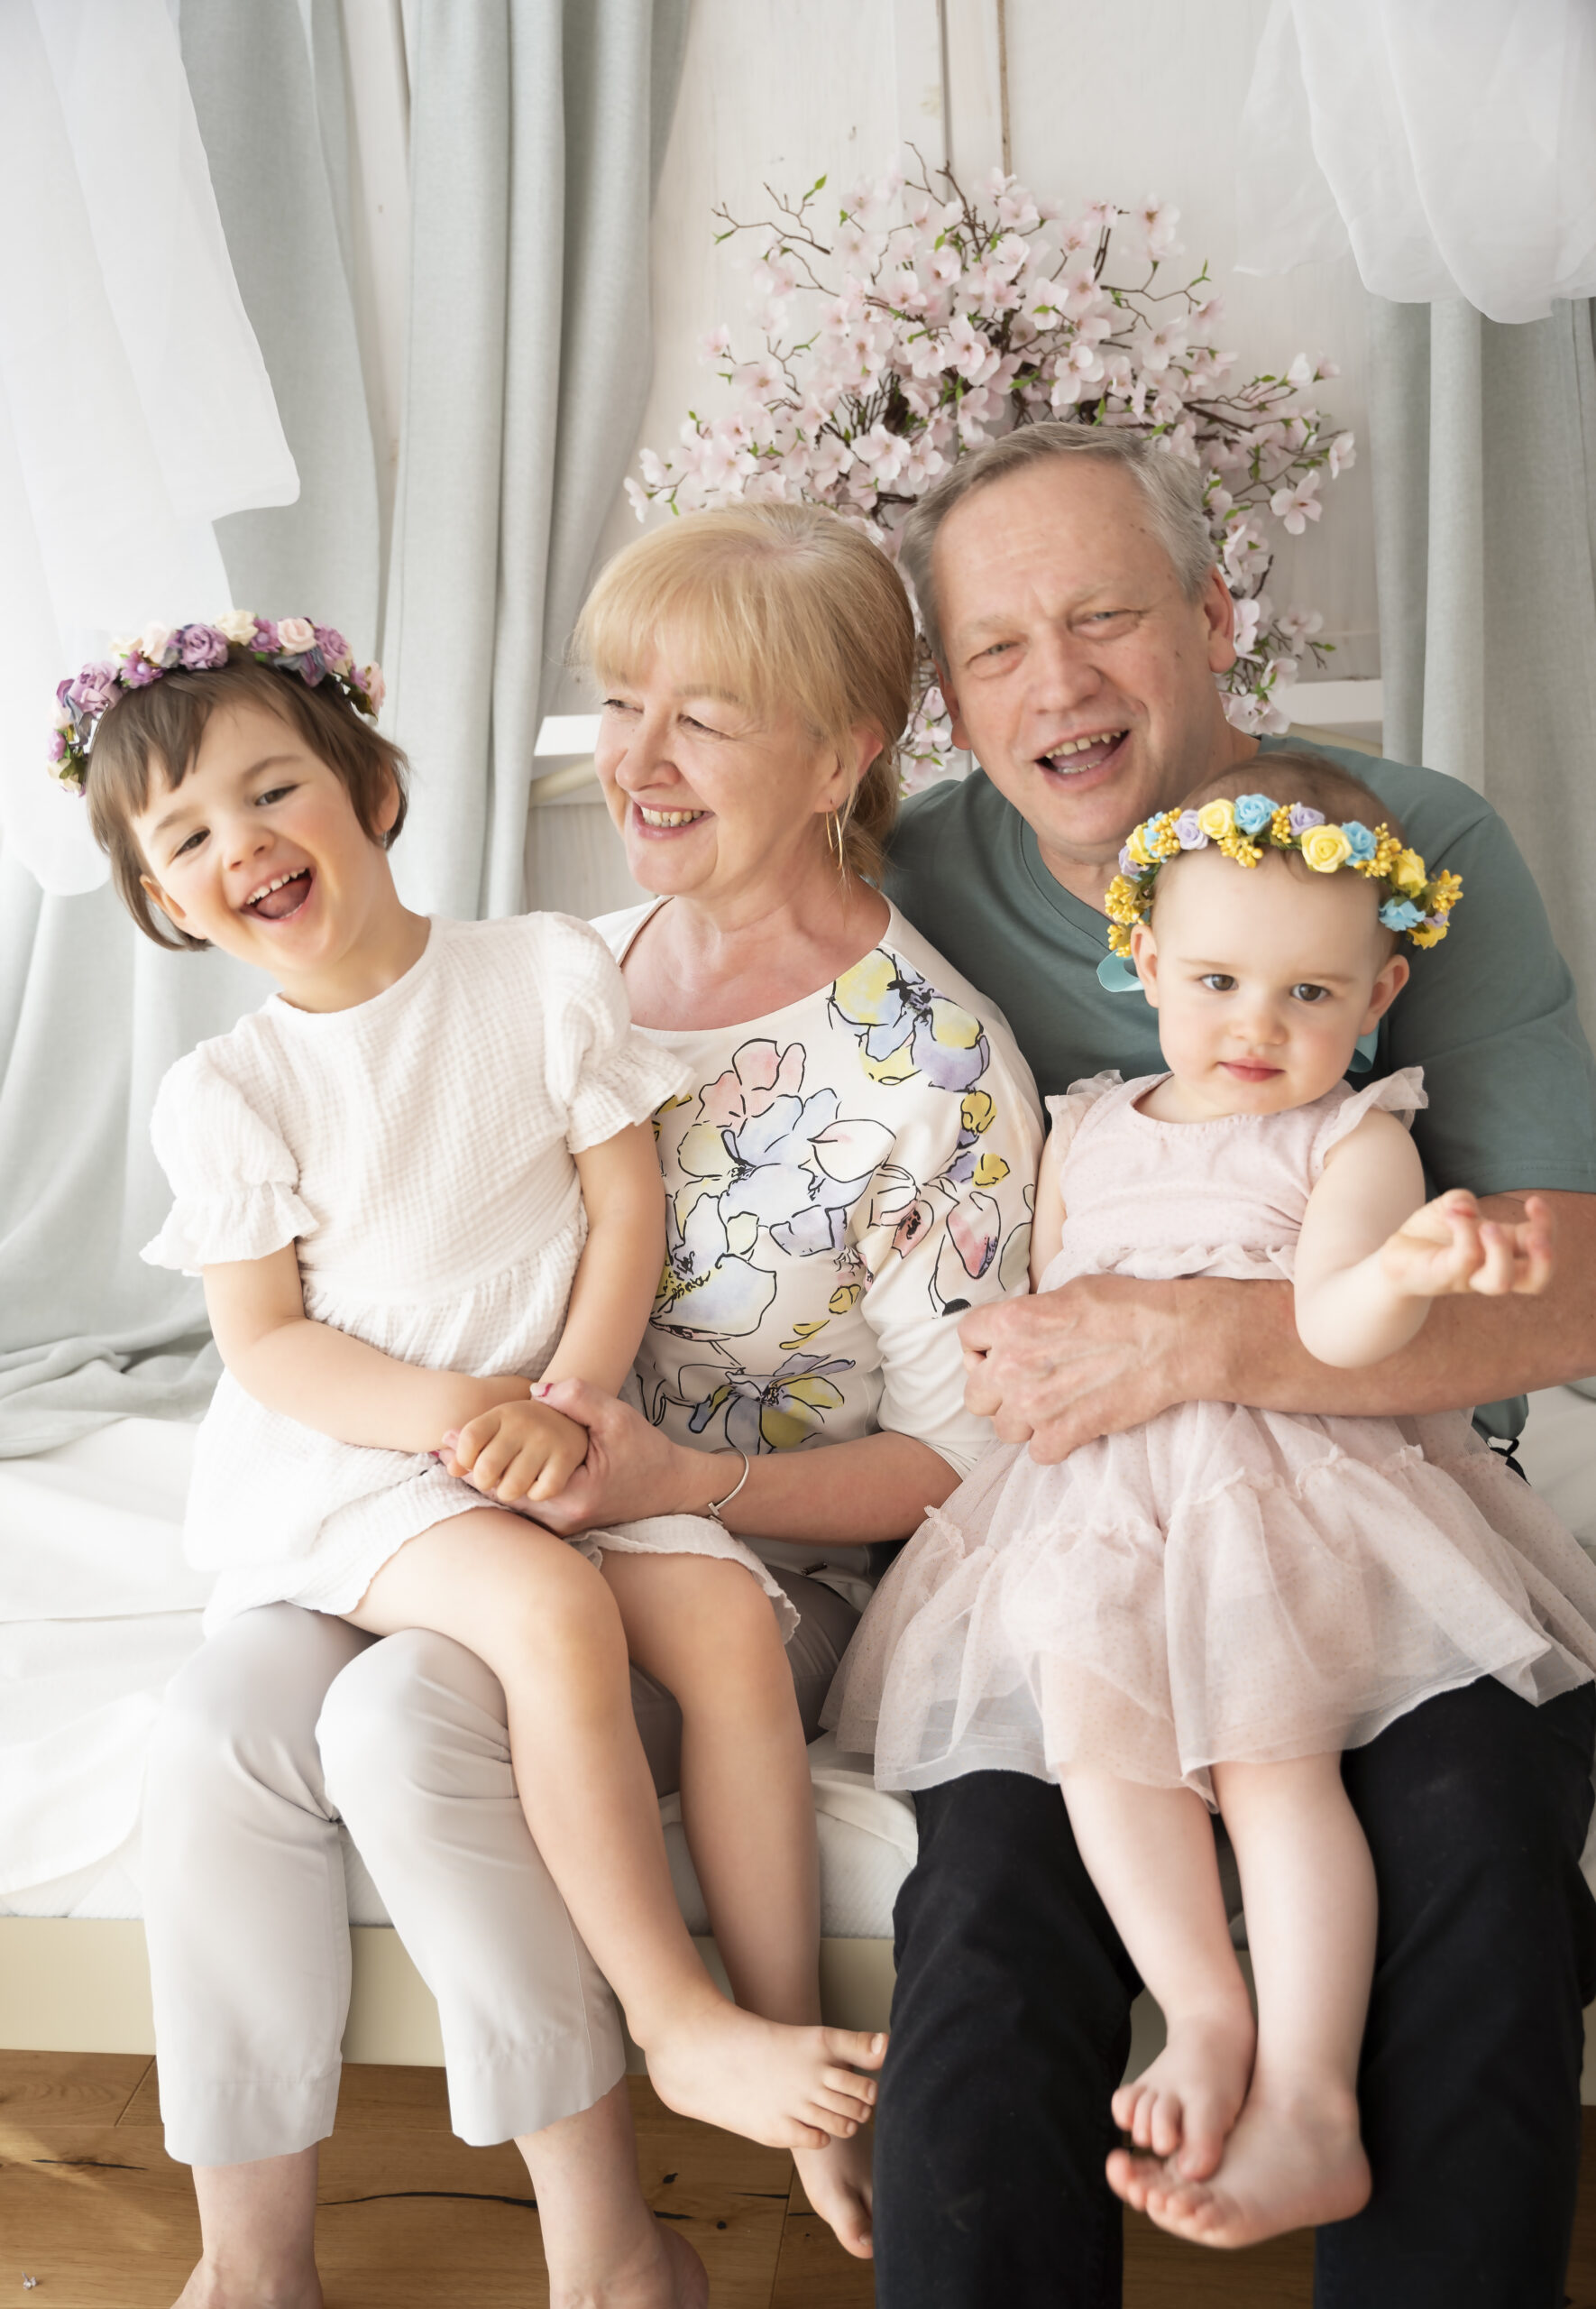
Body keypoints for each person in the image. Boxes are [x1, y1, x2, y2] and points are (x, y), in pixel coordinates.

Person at [112, 509, 1035, 2309]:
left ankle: (615, 2240)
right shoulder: (570, 963)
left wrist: (669, 1471)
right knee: (216, 1722)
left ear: (842, 755)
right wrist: (480, 1431)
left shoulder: (933, 1066)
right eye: (621, 703)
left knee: (401, 1726)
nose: (636, 760)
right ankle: (249, 2267)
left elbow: (956, 1464)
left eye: (705, 716)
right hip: (451, 1492)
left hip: (721, 1544)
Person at [853, 419, 1596, 2308]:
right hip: (1089, 1534)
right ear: (949, 698)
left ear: (1210, 618)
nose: (1058, 683)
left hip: (1375, 1520)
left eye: (1105, 616)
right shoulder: (905, 880)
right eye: (996, 648)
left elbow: (1570, 1295)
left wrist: (1192, 1340)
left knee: (1477, 1831)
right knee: (992, 1885)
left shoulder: (1409, 853)